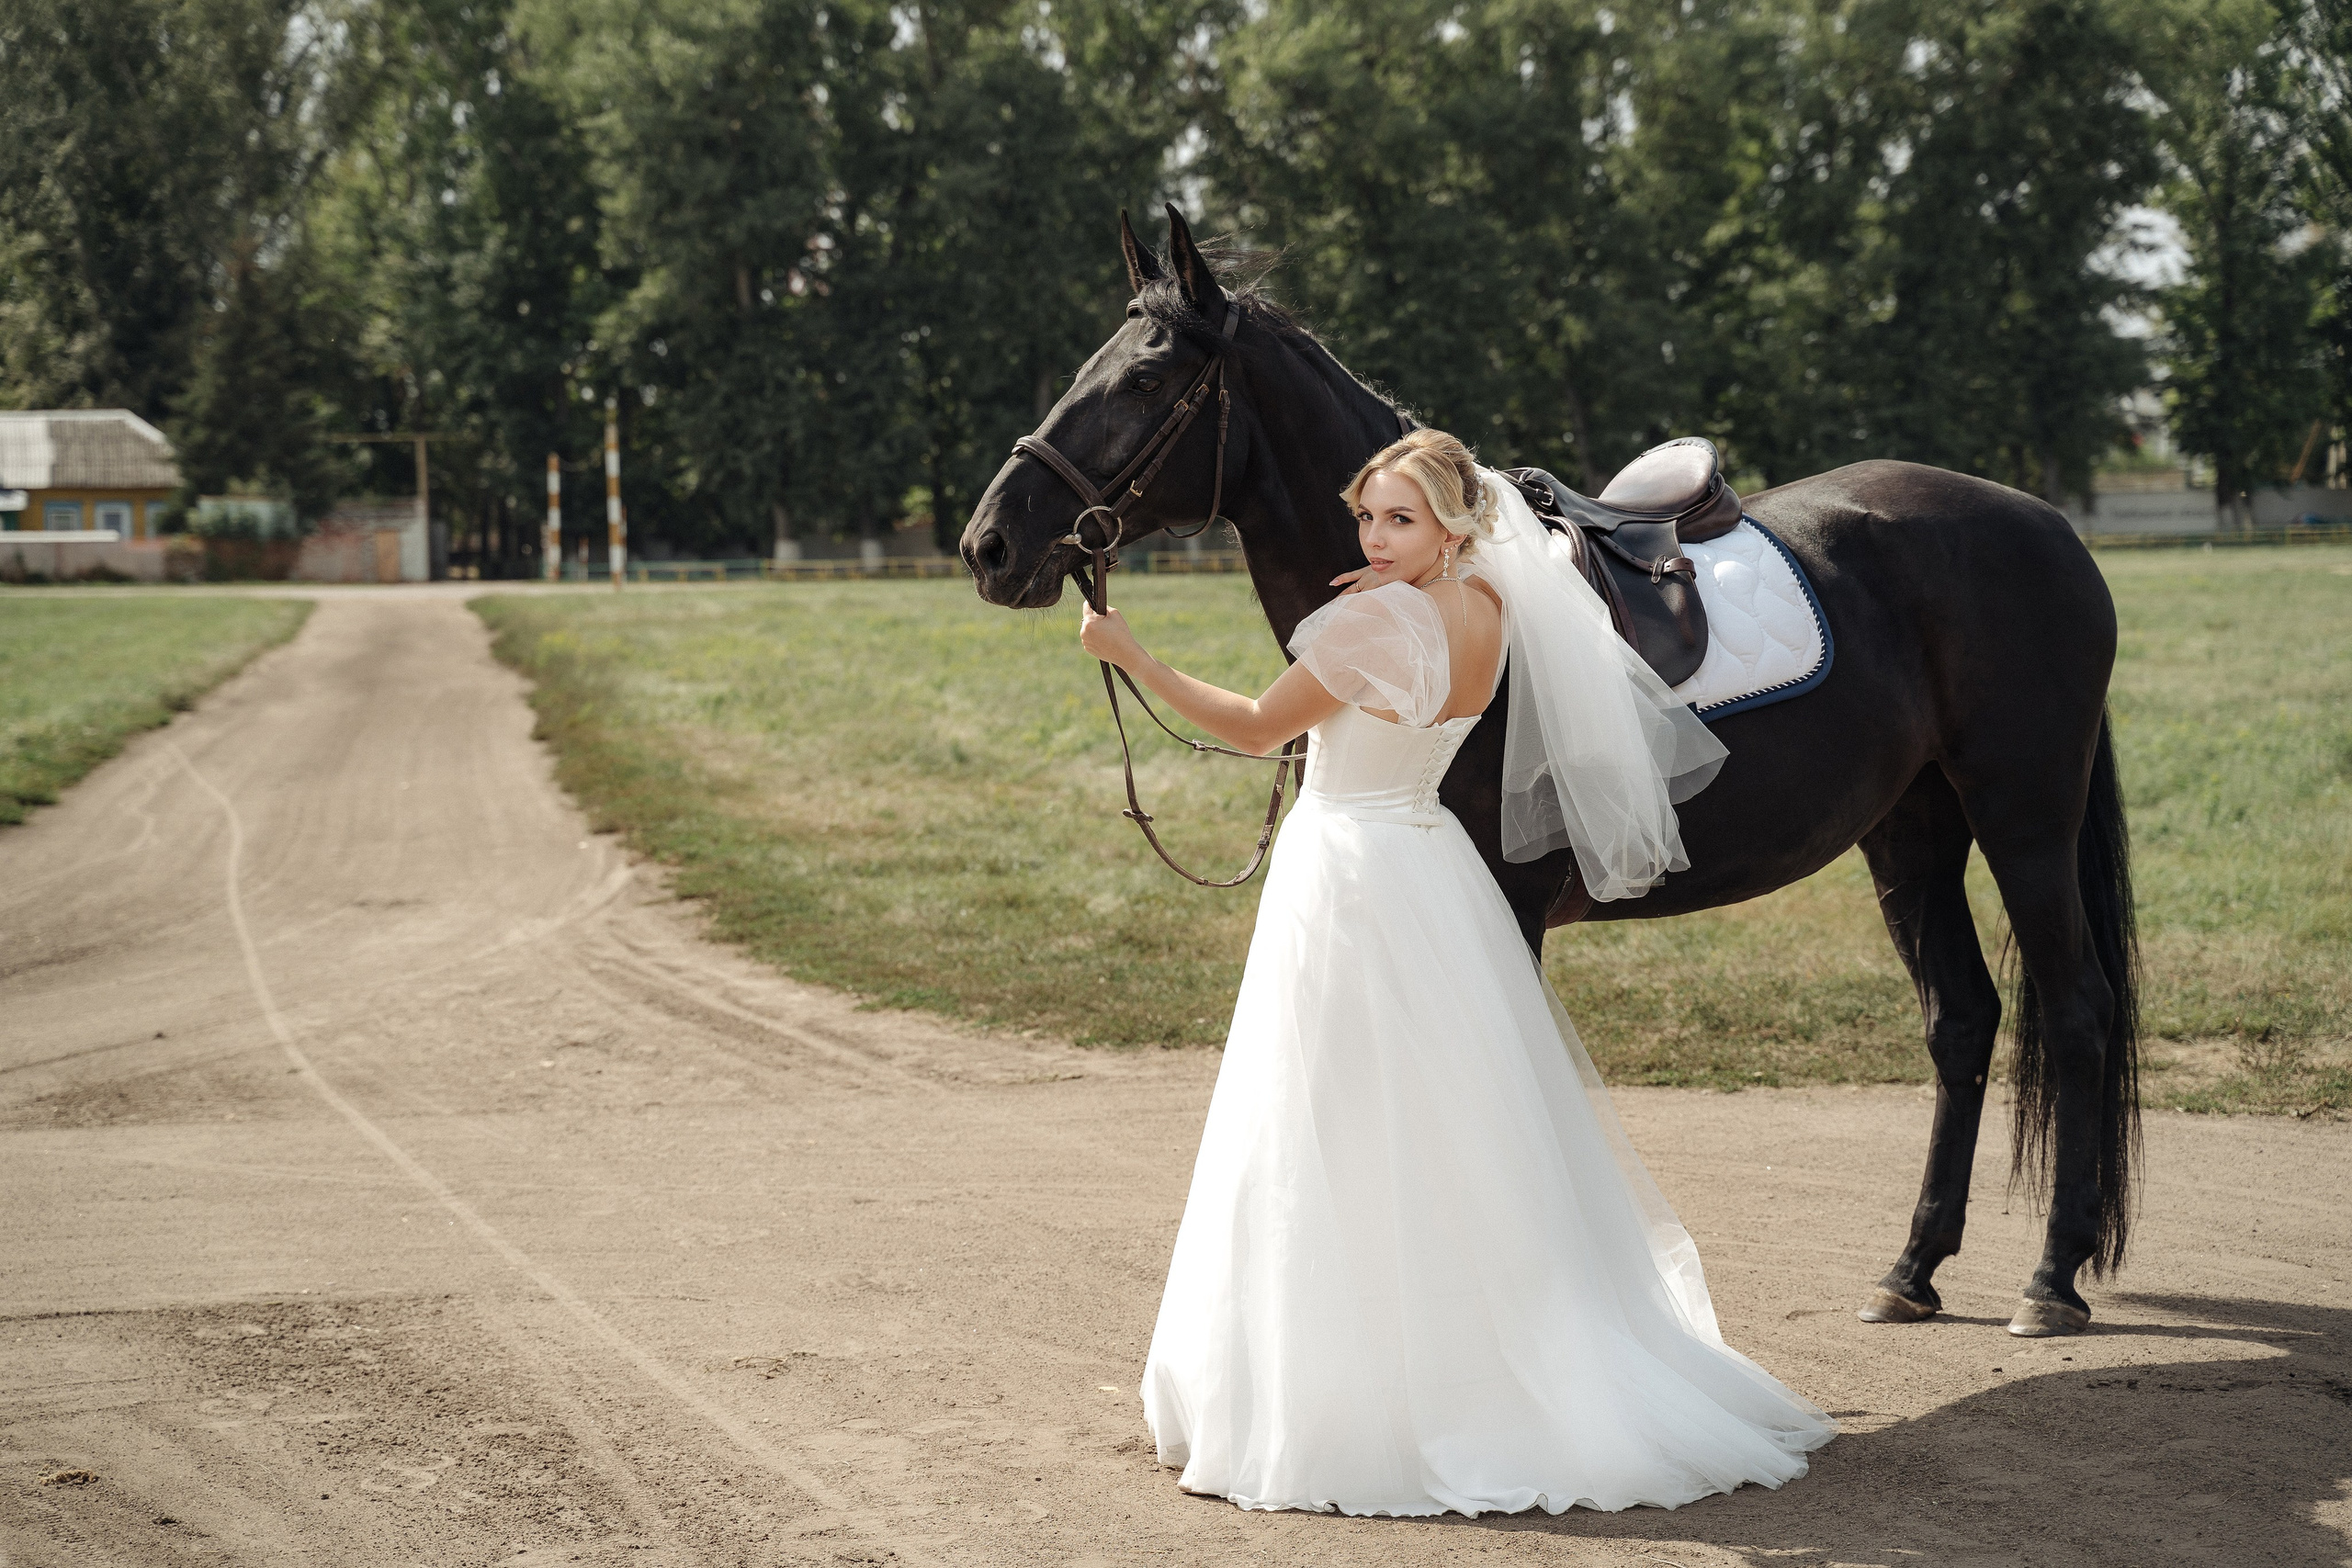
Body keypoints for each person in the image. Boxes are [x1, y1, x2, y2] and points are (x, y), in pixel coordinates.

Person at [1076, 428, 1837, 1517]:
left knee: (1326, 1118)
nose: (1373, 538)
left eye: (1401, 519)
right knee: (1452, 1121)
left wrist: (1131, 655)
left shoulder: (1366, 621)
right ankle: (1486, 1354)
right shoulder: (1490, 603)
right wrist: (1404, 582)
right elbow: (1427, 641)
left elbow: (1252, 729)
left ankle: (1345, 1391)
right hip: (1429, 864)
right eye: (1366, 517)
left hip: (1346, 869)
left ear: (1453, 525)